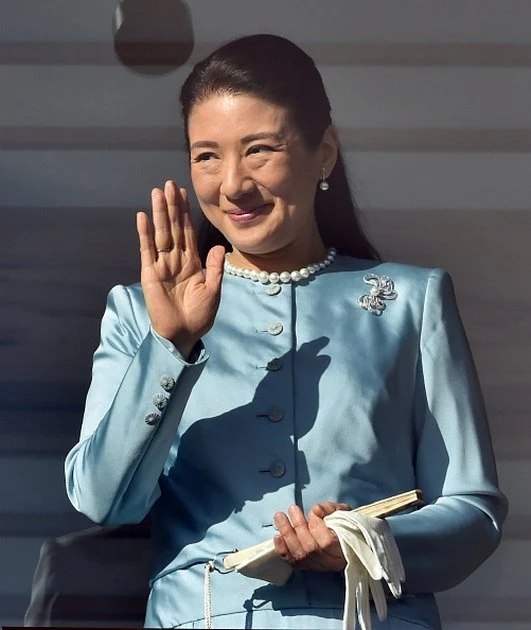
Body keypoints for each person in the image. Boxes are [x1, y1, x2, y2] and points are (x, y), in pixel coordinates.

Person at [65, 34, 508, 629]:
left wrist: (362, 542)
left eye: (260, 150)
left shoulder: (411, 300)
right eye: (206, 156)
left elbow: (473, 511)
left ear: (323, 152)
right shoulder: (138, 313)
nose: (233, 186)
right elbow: (103, 501)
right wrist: (171, 347)